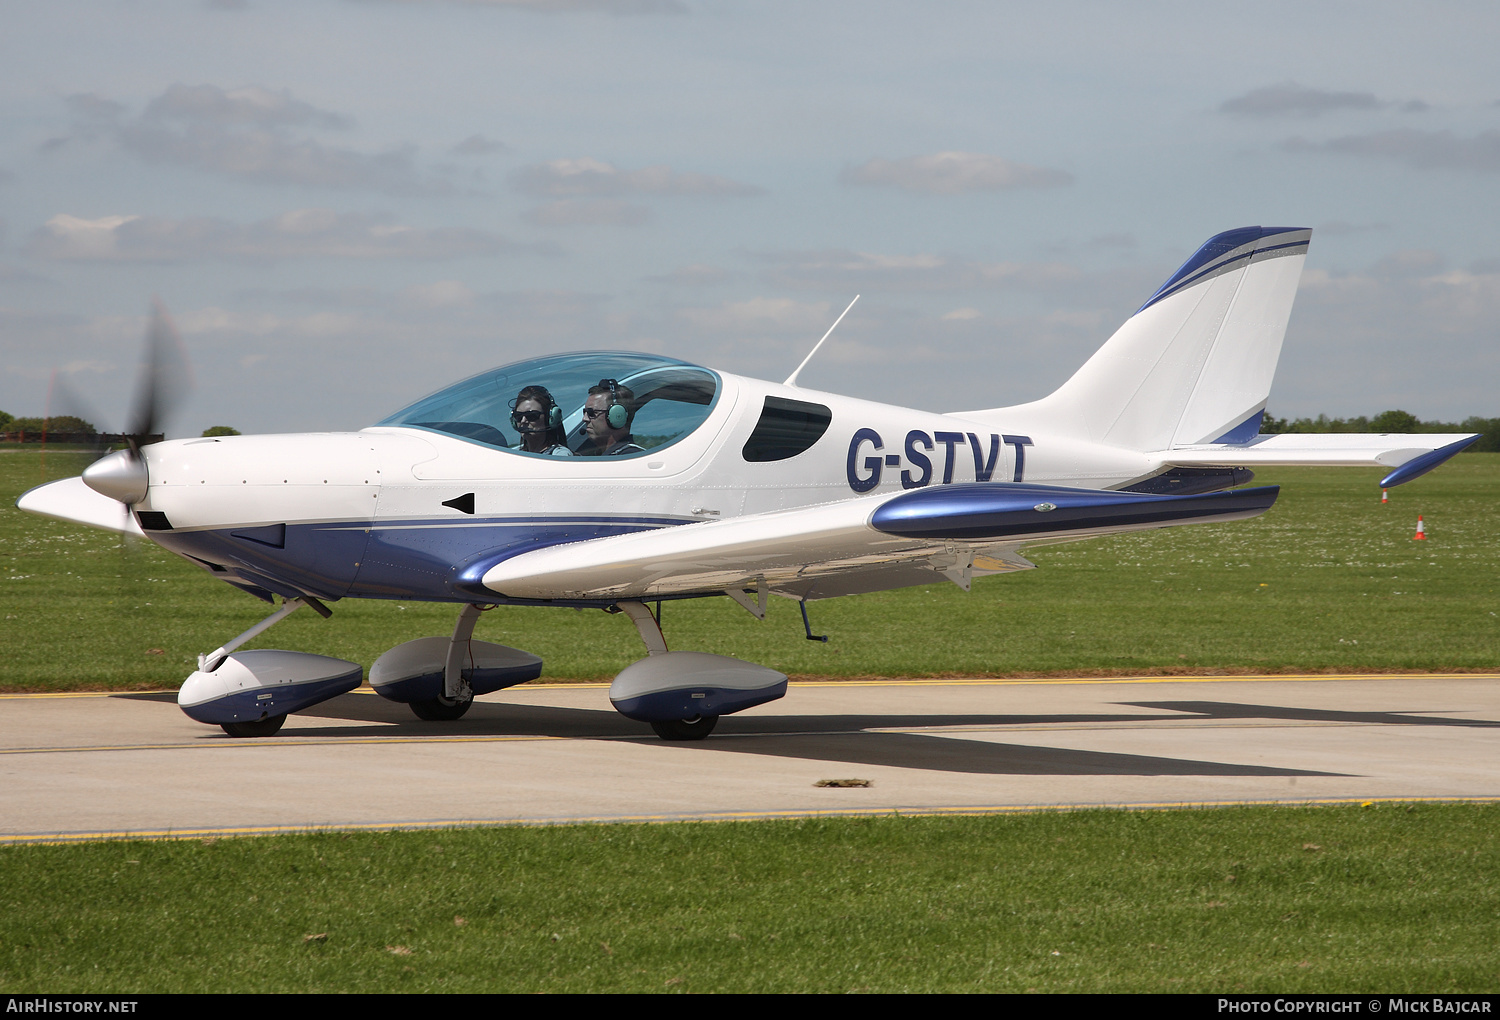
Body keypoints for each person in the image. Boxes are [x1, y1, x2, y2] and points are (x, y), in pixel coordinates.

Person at [581, 379, 644, 456]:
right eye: (585, 412)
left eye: (591, 413)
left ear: (617, 416)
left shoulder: (628, 458)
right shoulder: (607, 457)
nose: (585, 418)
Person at [510, 385, 572, 456]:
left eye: (532, 415)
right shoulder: (513, 455)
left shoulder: (559, 455)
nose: (523, 421)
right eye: (518, 416)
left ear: (549, 417)